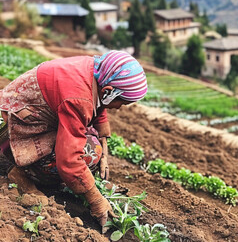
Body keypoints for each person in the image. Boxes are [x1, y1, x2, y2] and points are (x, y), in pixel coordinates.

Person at [0, 50, 147, 228]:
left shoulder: (96, 72)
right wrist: (95, 199)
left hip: (31, 113)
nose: (120, 108)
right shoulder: (78, 98)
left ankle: (50, 173)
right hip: (18, 130)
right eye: (122, 103)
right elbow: (69, 160)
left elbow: (99, 105)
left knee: (94, 143)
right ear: (108, 91)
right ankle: (23, 173)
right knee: (90, 153)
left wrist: (106, 154)